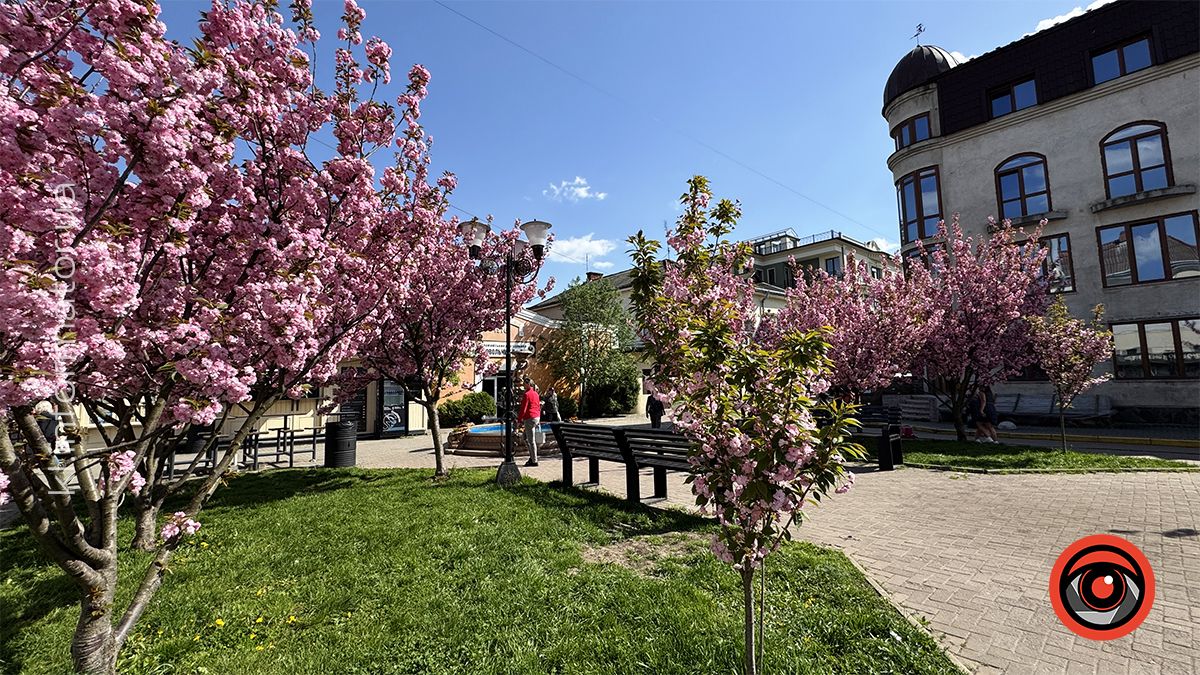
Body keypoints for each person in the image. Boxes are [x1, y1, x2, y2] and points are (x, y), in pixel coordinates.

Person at [516, 377, 542, 467]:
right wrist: (538, 418)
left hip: (530, 418)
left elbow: (523, 408)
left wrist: (519, 420)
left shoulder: (527, 394)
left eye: (524, 384)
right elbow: (538, 406)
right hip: (536, 417)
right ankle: (532, 457)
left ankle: (534, 461)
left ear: (528, 384)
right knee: (525, 438)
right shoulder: (535, 394)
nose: (523, 385)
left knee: (531, 440)